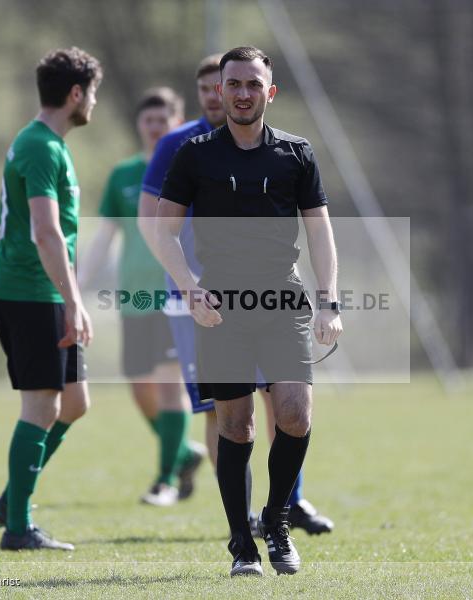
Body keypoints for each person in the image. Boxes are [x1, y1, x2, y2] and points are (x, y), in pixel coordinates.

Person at [154, 46, 342, 577]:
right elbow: (163, 231)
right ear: (220, 90)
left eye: (252, 84)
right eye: (232, 84)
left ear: (269, 92)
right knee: (235, 426)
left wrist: (329, 300)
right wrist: (190, 289)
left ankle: (277, 520)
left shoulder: (296, 153)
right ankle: (242, 543)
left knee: (295, 414)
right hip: (222, 306)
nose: (241, 93)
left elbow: (320, 231)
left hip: (284, 300)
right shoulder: (194, 154)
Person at [0, 47, 101, 551]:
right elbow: (45, 231)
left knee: (74, 403)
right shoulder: (39, 146)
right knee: (41, 405)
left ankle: (11, 498)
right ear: (75, 93)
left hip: (47, 291)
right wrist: (73, 301)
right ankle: (17, 527)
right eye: (92, 93)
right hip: (31, 292)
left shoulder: (51, 144)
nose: (93, 102)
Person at [77, 87, 206, 507]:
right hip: (134, 296)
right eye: (148, 120)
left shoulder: (189, 167)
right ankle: (183, 453)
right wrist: (77, 284)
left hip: (175, 293)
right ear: (139, 124)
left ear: (177, 122)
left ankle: (165, 480)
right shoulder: (123, 175)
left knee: (170, 385)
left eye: (162, 120)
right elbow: (104, 236)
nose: (154, 127)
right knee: (140, 389)